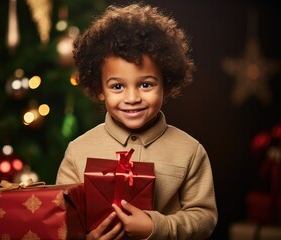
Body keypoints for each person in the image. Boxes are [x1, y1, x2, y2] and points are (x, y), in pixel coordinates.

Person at [56, 2, 218, 239]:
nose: (132, 98)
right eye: (118, 86)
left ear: (167, 85)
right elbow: (63, 220)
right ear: (99, 89)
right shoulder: (77, 151)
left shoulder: (191, 151)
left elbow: (204, 218)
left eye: (145, 84)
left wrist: (157, 227)